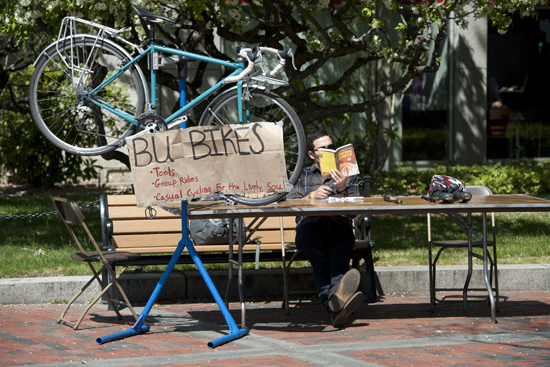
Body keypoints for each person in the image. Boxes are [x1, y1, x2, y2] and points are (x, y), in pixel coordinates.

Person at [289, 130, 363, 327]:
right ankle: (337, 301)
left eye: (332, 147)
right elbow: (289, 204)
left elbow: (353, 212)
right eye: (324, 149)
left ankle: (333, 306)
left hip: (339, 222)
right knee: (321, 258)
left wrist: (342, 189)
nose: (330, 151)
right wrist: (311, 197)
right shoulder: (302, 175)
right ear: (312, 154)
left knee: (339, 254)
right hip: (310, 225)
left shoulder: (348, 173)